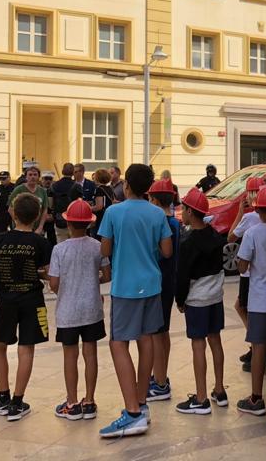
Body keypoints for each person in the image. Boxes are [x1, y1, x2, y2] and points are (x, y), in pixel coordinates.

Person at [96, 164, 172, 438]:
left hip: (126, 287)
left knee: (118, 343)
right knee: (146, 338)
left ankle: (132, 412)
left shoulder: (114, 212)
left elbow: (105, 249)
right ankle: (141, 402)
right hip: (151, 284)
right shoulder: (157, 213)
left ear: (126, 184)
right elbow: (166, 251)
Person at [0, 193, 51, 421]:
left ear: (13, 213)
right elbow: (48, 273)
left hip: (5, 300)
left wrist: (1, 294)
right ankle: (17, 401)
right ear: (37, 217)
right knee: (26, 348)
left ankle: (3, 396)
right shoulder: (41, 243)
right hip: (32, 300)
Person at [48, 200, 111, 420]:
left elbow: (53, 283)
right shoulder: (97, 246)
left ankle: (72, 403)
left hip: (68, 312)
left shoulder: (59, 249)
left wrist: (66, 290)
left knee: (70, 355)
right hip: (92, 308)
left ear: (68, 223)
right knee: (90, 354)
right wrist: (91, 282)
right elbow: (107, 275)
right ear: (90, 223)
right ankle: (90, 401)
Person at [174, 188, 227, 415]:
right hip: (215, 297)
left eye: (184, 208)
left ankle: (201, 397)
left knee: (198, 344)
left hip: (197, 300)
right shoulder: (214, 235)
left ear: (190, 212)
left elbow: (182, 276)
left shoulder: (187, 242)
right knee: (215, 340)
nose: (182, 211)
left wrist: (180, 300)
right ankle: (219, 390)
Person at [236, 185, 266, 415]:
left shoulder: (252, 233)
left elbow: (242, 266)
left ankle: (256, 398)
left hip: (259, 299)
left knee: (259, 349)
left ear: (258, 209)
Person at [145, 179, 182, 403]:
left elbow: (162, 253)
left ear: (155, 201)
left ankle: (160, 384)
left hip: (160, 282)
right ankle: (161, 375)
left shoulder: (162, 223)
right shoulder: (175, 222)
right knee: (162, 331)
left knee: (157, 334)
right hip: (169, 282)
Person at [228, 177, 265, 368]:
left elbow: (231, 236)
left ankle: (257, 347)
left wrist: (240, 213)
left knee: (244, 308)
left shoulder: (249, 218)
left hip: (249, 274)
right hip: (265, 274)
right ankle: (258, 347)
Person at [9, 167, 48, 235]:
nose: (32, 177)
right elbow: (10, 209)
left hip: (36, 228)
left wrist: (40, 227)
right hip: (20, 228)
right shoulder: (18, 189)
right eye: (30, 175)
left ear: (38, 177)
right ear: (26, 177)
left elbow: (44, 210)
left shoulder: (42, 191)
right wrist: (17, 223)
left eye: (35, 175)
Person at [51, 164, 83, 244]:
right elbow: (80, 203)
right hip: (74, 220)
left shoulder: (54, 185)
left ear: (62, 171)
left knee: (61, 243)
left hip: (59, 219)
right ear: (73, 172)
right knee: (74, 244)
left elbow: (50, 204)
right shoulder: (77, 186)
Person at [91, 169, 116, 239]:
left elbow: (99, 206)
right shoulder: (110, 188)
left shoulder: (99, 189)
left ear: (97, 177)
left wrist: (88, 208)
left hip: (100, 218)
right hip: (109, 216)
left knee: (98, 238)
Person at [0, 171, 15, 236]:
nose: (2, 180)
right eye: (0, 179)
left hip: (12, 213)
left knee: (14, 230)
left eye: (4, 179)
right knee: (1, 232)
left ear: (9, 178)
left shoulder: (14, 187)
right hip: (1, 212)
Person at [40, 172, 57, 247]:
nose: (48, 181)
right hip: (40, 220)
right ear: (42, 180)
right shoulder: (38, 191)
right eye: (46, 179)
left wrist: (53, 215)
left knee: (52, 241)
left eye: (50, 179)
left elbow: (58, 205)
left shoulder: (55, 191)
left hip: (51, 220)